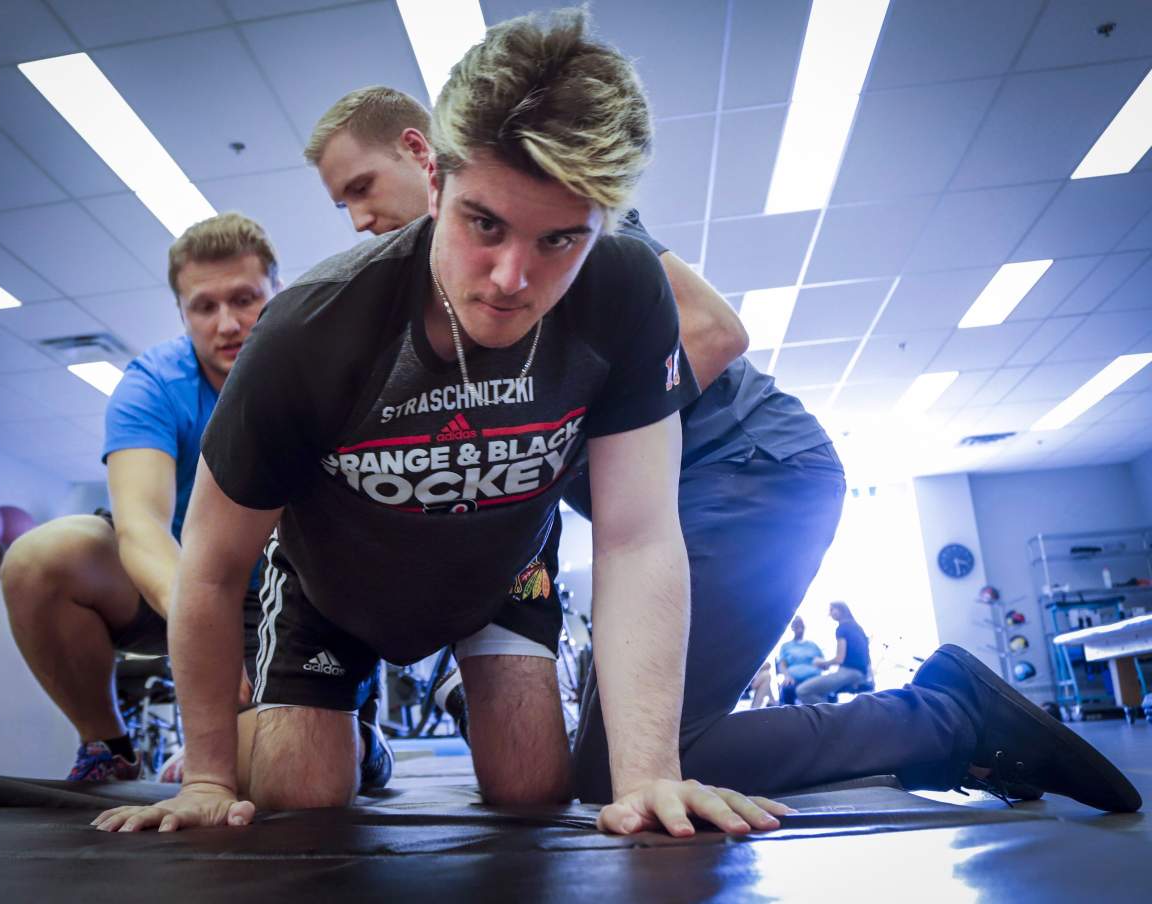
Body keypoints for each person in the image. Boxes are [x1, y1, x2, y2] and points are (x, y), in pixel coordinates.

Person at [277, 20, 1143, 817]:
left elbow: (714, 329)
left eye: (360, 186)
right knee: (614, 759)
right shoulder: (432, 298)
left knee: (626, 769)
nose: (356, 217)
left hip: (754, 471)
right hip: (711, 488)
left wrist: (536, 433)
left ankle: (943, 719)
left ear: (424, 155)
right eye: (338, 204)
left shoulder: (561, 211)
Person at [95, 11, 792, 838]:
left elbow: (639, 535)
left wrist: (648, 777)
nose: (511, 278)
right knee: (301, 793)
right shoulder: (309, 331)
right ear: (432, 175)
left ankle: (460, 676)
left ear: (605, 222)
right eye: (483, 224)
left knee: (534, 790)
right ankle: (355, 728)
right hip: (334, 580)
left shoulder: (627, 290)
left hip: (498, 567)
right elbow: (209, 569)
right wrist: (207, 774)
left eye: (561, 240)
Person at [0, 214, 402, 793]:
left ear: (277, 292)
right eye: (203, 307)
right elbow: (140, 528)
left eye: (245, 299)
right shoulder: (155, 382)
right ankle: (107, 746)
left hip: (289, 593)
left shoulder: (322, 367)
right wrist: (202, 631)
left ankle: (359, 739)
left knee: (267, 775)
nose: (228, 324)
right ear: (182, 312)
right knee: (41, 558)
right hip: (188, 578)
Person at [797, 602, 871, 704]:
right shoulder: (858, 628)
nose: (830, 613)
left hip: (849, 672)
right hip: (863, 674)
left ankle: (832, 717)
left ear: (842, 609)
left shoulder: (842, 628)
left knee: (802, 690)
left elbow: (839, 659)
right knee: (822, 692)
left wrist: (822, 663)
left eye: (832, 610)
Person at [777, 616, 824, 705]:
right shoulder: (786, 646)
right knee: (787, 689)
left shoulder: (813, 645)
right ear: (792, 628)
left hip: (813, 679)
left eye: (801, 626)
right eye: (797, 626)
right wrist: (787, 676)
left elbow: (824, 665)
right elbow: (782, 665)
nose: (800, 629)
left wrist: (822, 663)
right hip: (793, 680)